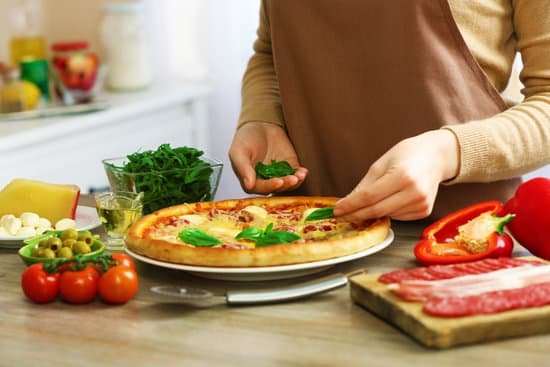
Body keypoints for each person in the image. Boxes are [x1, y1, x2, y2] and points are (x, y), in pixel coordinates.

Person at [229, 0, 550, 221]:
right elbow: (269, 52)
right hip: (305, 234)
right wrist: (261, 117)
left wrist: (445, 153)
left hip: (458, 243)